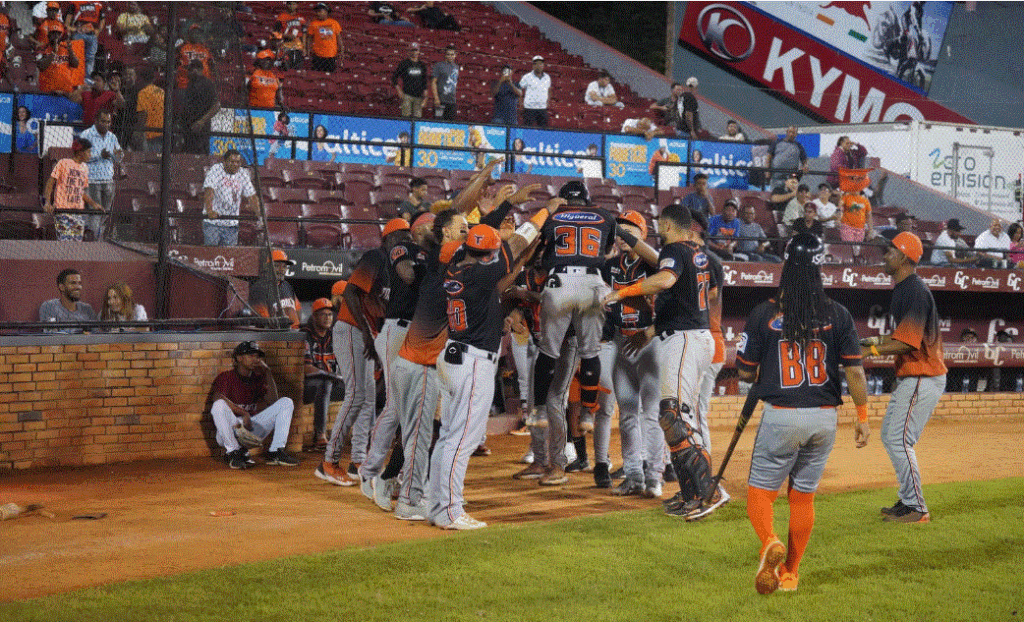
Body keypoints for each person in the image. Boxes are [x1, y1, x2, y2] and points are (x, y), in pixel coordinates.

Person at [736, 232, 870, 595]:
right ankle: (791, 574)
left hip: (781, 414)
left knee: (760, 494)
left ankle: (769, 542)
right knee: (803, 496)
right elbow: (855, 371)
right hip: (825, 416)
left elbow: (745, 373)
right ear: (819, 267)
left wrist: (762, 368)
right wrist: (863, 416)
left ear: (786, 266)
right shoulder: (838, 313)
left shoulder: (765, 313)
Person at [430, 203, 556, 529]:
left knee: (449, 437)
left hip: (455, 354)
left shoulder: (458, 267)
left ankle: (437, 502)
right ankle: (449, 510)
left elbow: (499, 265)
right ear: (485, 253)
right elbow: (512, 248)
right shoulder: (480, 271)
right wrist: (544, 213)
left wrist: (519, 248)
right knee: (463, 439)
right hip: (471, 359)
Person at [602, 203, 720, 521]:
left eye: (659, 226)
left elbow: (665, 279)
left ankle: (709, 491)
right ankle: (692, 491)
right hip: (686, 335)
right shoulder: (700, 255)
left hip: (684, 340)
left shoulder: (675, 252)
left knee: (677, 419)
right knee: (673, 417)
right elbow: (687, 299)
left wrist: (625, 292)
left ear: (666, 226)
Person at [529, 182, 616, 486]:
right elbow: (605, 252)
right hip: (592, 282)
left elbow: (536, 252)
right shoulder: (604, 214)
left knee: (548, 354)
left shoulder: (553, 215)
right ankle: (589, 414)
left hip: (559, 281)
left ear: (562, 199)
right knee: (591, 352)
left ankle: (538, 409)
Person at [862, 232, 945, 524]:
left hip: (923, 373)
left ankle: (917, 508)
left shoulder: (914, 290)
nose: (885, 256)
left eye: (890, 251)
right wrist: (870, 341)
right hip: (916, 375)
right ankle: (908, 500)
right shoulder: (904, 288)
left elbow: (908, 343)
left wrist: (870, 349)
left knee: (899, 440)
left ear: (905, 257)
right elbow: (900, 337)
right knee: (892, 437)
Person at [346, 218, 426, 511]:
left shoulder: (415, 253)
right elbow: (352, 292)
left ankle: (387, 473)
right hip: (395, 330)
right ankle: (370, 472)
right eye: (400, 235)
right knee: (396, 407)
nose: (403, 239)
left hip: (409, 331)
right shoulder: (392, 253)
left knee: (406, 407)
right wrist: (368, 334)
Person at [599, 211, 664, 497]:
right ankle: (634, 475)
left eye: (630, 230)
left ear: (643, 234)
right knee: (627, 415)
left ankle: (655, 476)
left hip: (649, 343)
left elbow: (658, 262)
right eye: (620, 230)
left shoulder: (653, 265)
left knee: (651, 413)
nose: (623, 236)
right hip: (622, 342)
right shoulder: (610, 265)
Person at [210, 341, 299, 469]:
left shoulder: (258, 378)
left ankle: (276, 451)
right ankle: (233, 452)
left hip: (251, 428)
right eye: (251, 355)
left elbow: (273, 401)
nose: (255, 359)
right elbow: (217, 398)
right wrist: (243, 412)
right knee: (218, 405)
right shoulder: (226, 377)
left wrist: (267, 371)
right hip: (230, 430)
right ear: (239, 358)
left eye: (257, 356)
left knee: (286, 402)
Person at [302, 297, 343, 451]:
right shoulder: (305, 335)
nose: (327, 318)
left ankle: (366, 435)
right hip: (308, 386)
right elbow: (307, 368)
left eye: (330, 315)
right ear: (314, 316)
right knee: (325, 383)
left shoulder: (334, 335)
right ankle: (320, 436)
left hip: (333, 382)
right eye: (323, 314)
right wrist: (331, 376)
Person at [43, 139, 103, 242]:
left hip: (78, 212)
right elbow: (50, 183)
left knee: (76, 244)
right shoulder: (63, 163)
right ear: (80, 152)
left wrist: (93, 204)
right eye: (88, 152)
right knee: (65, 242)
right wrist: (48, 202)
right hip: (63, 211)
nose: (90, 155)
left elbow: (81, 192)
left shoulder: (84, 168)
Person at [79, 110, 122, 241]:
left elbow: (118, 157)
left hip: (108, 180)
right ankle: (93, 241)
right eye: (103, 121)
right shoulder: (86, 135)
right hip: (92, 180)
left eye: (108, 122)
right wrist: (99, 156)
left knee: (106, 212)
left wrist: (118, 156)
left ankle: (91, 232)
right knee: (96, 212)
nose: (106, 124)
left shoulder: (112, 137)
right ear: (96, 121)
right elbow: (80, 156)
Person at [202, 149, 258, 246]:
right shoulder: (216, 169)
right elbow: (209, 190)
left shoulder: (242, 173)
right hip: (213, 223)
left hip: (232, 224)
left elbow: (252, 195)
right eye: (232, 161)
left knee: (229, 256)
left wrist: (259, 213)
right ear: (224, 161)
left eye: (237, 162)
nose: (235, 164)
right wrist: (210, 210)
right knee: (211, 254)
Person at [249, 249, 301, 328]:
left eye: (284, 266)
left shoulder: (287, 286)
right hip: (272, 336)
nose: (281, 270)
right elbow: (265, 321)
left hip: (293, 335)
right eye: (277, 266)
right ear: (268, 267)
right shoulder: (259, 288)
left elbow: (298, 310)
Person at [181, 60, 219, 155]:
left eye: (190, 70)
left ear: (197, 70)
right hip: (189, 126)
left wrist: (201, 121)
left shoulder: (207, 83)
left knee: (200, 154)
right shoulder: (191, 83)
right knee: (189, 153)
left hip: (200, 127)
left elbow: (216, 105)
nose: (188, 73)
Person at [36, 27, 80, 97]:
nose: (56, 36)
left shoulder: (65, 49)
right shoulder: (43, 49)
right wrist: (53, 53)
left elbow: (75, 64)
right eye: (53, 33)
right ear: (48, 35)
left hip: (65, 89)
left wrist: (70, 51)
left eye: (58, 34)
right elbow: (41, 67)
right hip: (48, 90)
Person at [65, 0, 104, 76]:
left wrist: (98, 30)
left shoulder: (98, 4)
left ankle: (87, 79)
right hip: (78, 35)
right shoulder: (75, 2)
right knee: (77, 58)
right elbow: (67, 23)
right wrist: (75, 29)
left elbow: (102, 19)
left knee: (90, 59)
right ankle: (76, 78)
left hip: (92, 35)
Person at [392, 44, 429, 118]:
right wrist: (399, 91)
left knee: (417, 118)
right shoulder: (404, 63)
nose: (414, 52)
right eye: (412, 50)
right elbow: (394, 78)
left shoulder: (422, 65)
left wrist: (425, 96)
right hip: (407, 95)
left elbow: (424, 81)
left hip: (419, 96)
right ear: (409, 51)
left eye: (416, 50)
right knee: (405, 117)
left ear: (419, 51)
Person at [306, 3, 343, 73]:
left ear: (326, 11)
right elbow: (309, 38)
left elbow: (339, 38)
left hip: (331, 55)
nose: (318, 13)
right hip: (318, 56)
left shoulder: (334, 23)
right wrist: (308, 50)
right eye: (317, 11)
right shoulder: (313, 24)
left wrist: (341, 50)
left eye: (320, 11)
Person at [134, 66, 164, 152]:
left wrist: (138, 131)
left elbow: (143, 114)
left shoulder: (143, 92)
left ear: (141, 78)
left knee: (148, 161)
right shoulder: (161, 91)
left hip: (149, 134)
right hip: (162, 132)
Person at [520, 55, 551, 127]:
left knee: (543, 130)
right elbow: (520, 89)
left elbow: (549, 89)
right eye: (536, 63)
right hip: (529, 108)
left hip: (542, 108)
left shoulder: (547, 77)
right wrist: (521, 103)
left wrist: (548, 101)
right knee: (527, 129)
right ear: (533, 65)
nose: (539, 65)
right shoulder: (527, 77)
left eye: (541, 64)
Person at [430, 45, 459, 121]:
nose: (450, 56)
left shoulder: (456, 67)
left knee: (450, 125)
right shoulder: (438, 66)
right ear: (445, 55)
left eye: (452, 54)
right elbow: (433, 82)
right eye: (448, 54)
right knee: (438, 122)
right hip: (441, 101)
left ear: (455, 55)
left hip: (452, 101)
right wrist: (436, 98)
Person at [274, 1, 306, 69]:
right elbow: (275, 33)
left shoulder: (301, 17)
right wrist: (286, 35)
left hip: (298, 47)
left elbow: (304, 33)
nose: (292, 6)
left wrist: (304, 47)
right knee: (285, 68)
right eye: (290, 4)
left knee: (297, 69)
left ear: (297, 5)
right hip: (285, 47)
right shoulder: (281, 17)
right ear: (287, 5)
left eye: (294, 4)